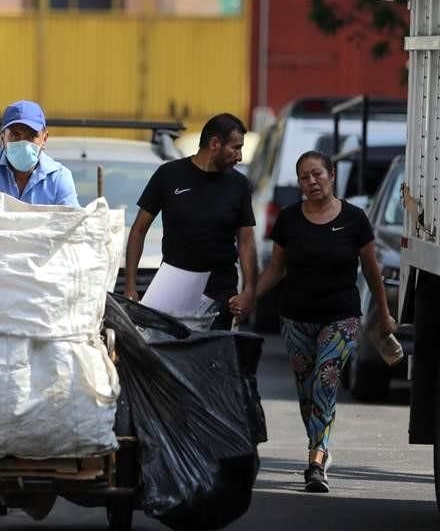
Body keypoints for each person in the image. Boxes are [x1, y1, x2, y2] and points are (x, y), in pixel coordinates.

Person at [249, 150, 397, 493]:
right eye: (303, 177)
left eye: (317, 174)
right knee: (306, 391)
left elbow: (372, 271)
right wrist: (249, 296)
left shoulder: (355, 219)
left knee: (325, 383)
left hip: (341, 317)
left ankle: (316, 461)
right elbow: (276, 269)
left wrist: (385, 313)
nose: (311, 182)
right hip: (296, 318)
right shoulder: (288, 220)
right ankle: (319, 446)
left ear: (331, 175)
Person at [124, 113, 257, 329]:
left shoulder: (239, 185)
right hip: (173, 289)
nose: (240, 156)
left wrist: (250, 290)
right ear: (215, 144)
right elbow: (139, 230)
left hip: (220, 293)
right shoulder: (168, 175)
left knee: (213, 358)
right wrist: (130, 285)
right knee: (169, 357)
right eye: (235, 147)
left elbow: (246, 242)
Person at [0, 100, 79, 207]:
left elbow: (70, 225)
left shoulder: (58, 178)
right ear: (2, 137)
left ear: (44, 139)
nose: (23, 143)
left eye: (32, 136)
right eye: (16, 135)